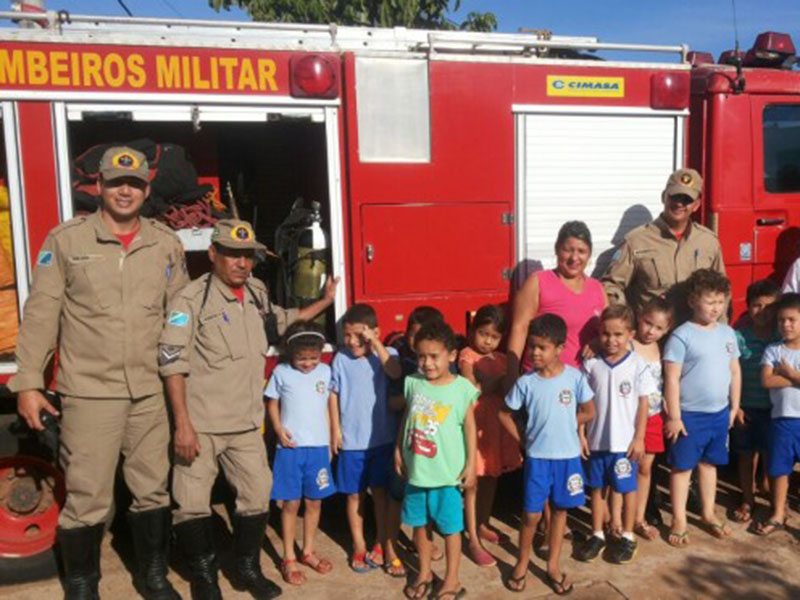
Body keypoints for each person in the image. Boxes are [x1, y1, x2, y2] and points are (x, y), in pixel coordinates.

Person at [10, 146, 189, 599]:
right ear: (99, 187)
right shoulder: (67, 241)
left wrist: (187, 386)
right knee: (88, 497)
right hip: (91, 393)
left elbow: (179, 319)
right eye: (114, 182)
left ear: (147, 189)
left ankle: (152, 576)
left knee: (152, 491)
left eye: (133, 184)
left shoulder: (165, 243)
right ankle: (83, 586)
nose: (124, 191)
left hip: (149, 392)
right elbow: (42, 314)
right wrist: (28, 382)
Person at [159, 218, 334, 600]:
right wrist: (182, 425)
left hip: (244, 424)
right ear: (213, 254)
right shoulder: (189, 301)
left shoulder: (255, 292)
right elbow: (172, 363)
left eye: (248, 256)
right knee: (191, 505)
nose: (242, 263)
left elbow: (280, 319)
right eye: (233, 254)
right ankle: (204, 578)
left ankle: (247, 568)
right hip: (202, 424)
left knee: (258, 493)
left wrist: (324, 302)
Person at [500, 314, 595, 596]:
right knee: (530, 516)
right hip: (537, 459)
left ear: (560, 347)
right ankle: (521, 562)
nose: (534, 353)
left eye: (542, 347)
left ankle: (553, 566)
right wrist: (523, 439)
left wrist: (570, 422)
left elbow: (590, 411)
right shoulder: (527, 382)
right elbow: (504, 414)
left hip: (567, 459)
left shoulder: (575, 378)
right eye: (532, 347)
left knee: (560, 513)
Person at [394, 320, 478, 600]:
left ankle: (452, 580)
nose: (427, 363)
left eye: (434, 356)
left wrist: (470, 465)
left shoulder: (462, 388)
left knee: (451, 529)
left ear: (452, 355)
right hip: (417, 472)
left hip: (446, 475)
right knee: (419, 525)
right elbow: (407, 418)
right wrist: (397, 449)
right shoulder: (413, 383)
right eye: (421, 356)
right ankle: (425, 572)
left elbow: (469, 426)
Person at [663, 269, 741, 547]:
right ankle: (680, 518)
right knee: (682, 468)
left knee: (709, 466)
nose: (716, 308)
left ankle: (708, 512)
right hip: (689, 417)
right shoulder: (681, 336)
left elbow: (735, 370)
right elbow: (671, 377)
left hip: (719, 415)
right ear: (693, 301)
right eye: (710, 301)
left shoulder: (728, 333)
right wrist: (674, 416)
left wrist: (734, 407)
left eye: (721, 301)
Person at [576, 305, 653, 565]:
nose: (611, 340)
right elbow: (582, 404)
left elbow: (643, 404)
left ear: (630, 334)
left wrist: (639, 437)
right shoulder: (591, 365)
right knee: (597, 490)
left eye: (618, 334)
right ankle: (597, 533)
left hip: (624, 444)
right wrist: (581, 434)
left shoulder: (636, 364)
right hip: (597, 441)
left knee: (626, 489)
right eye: (606, 334)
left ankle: (628, 536)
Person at [329, 303, 401, 573]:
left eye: (359, 335)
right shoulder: (340, 360)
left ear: (374, 333)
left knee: (380, 495)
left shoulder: (386, 355)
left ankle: (382, 542)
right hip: (352, 443)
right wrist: (335, 430)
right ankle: (359, 546)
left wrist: (376, 343)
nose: (352, 341)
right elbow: (333, 395)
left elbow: (395, 371)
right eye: (347, 335)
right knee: (353, 496)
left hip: (381, 440)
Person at [602, 168, 726, 323]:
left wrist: (721, 332)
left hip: (696, 339)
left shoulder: (708, 242)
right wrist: (626, 322)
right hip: (653, 340)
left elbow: (722, 291)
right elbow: (611, 286)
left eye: (686, 199)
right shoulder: (637, 240)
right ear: (663, 197)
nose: (679, 203)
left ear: (696, 205)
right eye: (674, 197)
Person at [266, 321, 337, 587]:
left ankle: (307, 551)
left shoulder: (326, 371)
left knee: (315, 502)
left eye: (313, 358)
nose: (308, 363)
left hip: (318, 449)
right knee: (290, 504)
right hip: (290, 449)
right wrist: (277, 428)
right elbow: (271, 402)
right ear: (289, 353)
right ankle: (288, 557)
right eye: (301, 358)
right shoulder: (282, 372)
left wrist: (332, 439)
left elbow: (331, 405)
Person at [457, 304, 521, 567]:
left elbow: (510, 388)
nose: (487, 341)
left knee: (491, 477)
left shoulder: (504, 359)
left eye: (494, 337)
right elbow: (472, 388)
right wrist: (494, 383)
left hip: (494, 428)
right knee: (471, 482)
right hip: (475, 426)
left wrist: (490, 383)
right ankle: (471, 536)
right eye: (482, 333)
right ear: (473, 331)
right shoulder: (466, 356)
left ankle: (482, 523)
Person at [386, 306, 447, 570]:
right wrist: (417, 393)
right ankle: (388, 547)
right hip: (406, 443)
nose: (416, 342)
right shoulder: (404, 367)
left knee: (425, 497)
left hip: (430, 447)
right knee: (397, 496)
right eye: (412, 335)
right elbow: (393, 403)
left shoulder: (442, 369)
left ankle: (419, 540)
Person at [508, 220, 606, 374]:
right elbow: (519, 329)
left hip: (585, 383)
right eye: (568, 250)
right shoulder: (538, 282)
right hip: (542, 380)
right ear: (557, 249)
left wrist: (598, 342)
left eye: (581, 251)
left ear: (589, 254)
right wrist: (511, 375)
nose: (574, 258)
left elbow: (610, 330)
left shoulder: (597, 288)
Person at [731, 280, 781, 524]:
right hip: (746, 407)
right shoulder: (739, 337)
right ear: (748, 307)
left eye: (769, 307)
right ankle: (748, 498)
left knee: (772, 455)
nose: (763, 312)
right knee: (745, 455)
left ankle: (774, 500)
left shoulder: (781, 338)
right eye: (756, 306)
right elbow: (732, 372)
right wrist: (736, 405)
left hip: (774, 408)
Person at [757, 292, 800, 535]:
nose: (786, 325)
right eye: (781, 320)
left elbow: (777, 378)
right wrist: (795, 379)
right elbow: (766, 381)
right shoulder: (773, 350)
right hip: (782, 421)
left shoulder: (783, 359)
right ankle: (778, 513)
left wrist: (789, 374)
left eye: (792, 320)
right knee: (779, 470)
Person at [631, 297, 674, 540]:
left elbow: (665, 380)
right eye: (648, 323)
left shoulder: (662, 347)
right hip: (629, 417)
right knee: (624, 467)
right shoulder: (628, 342)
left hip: (654, 416)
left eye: (658, 328)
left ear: (666, 329)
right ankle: (614, 518)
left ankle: (639, 518)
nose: (651, 331)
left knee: (646, 467)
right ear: (639, 316)